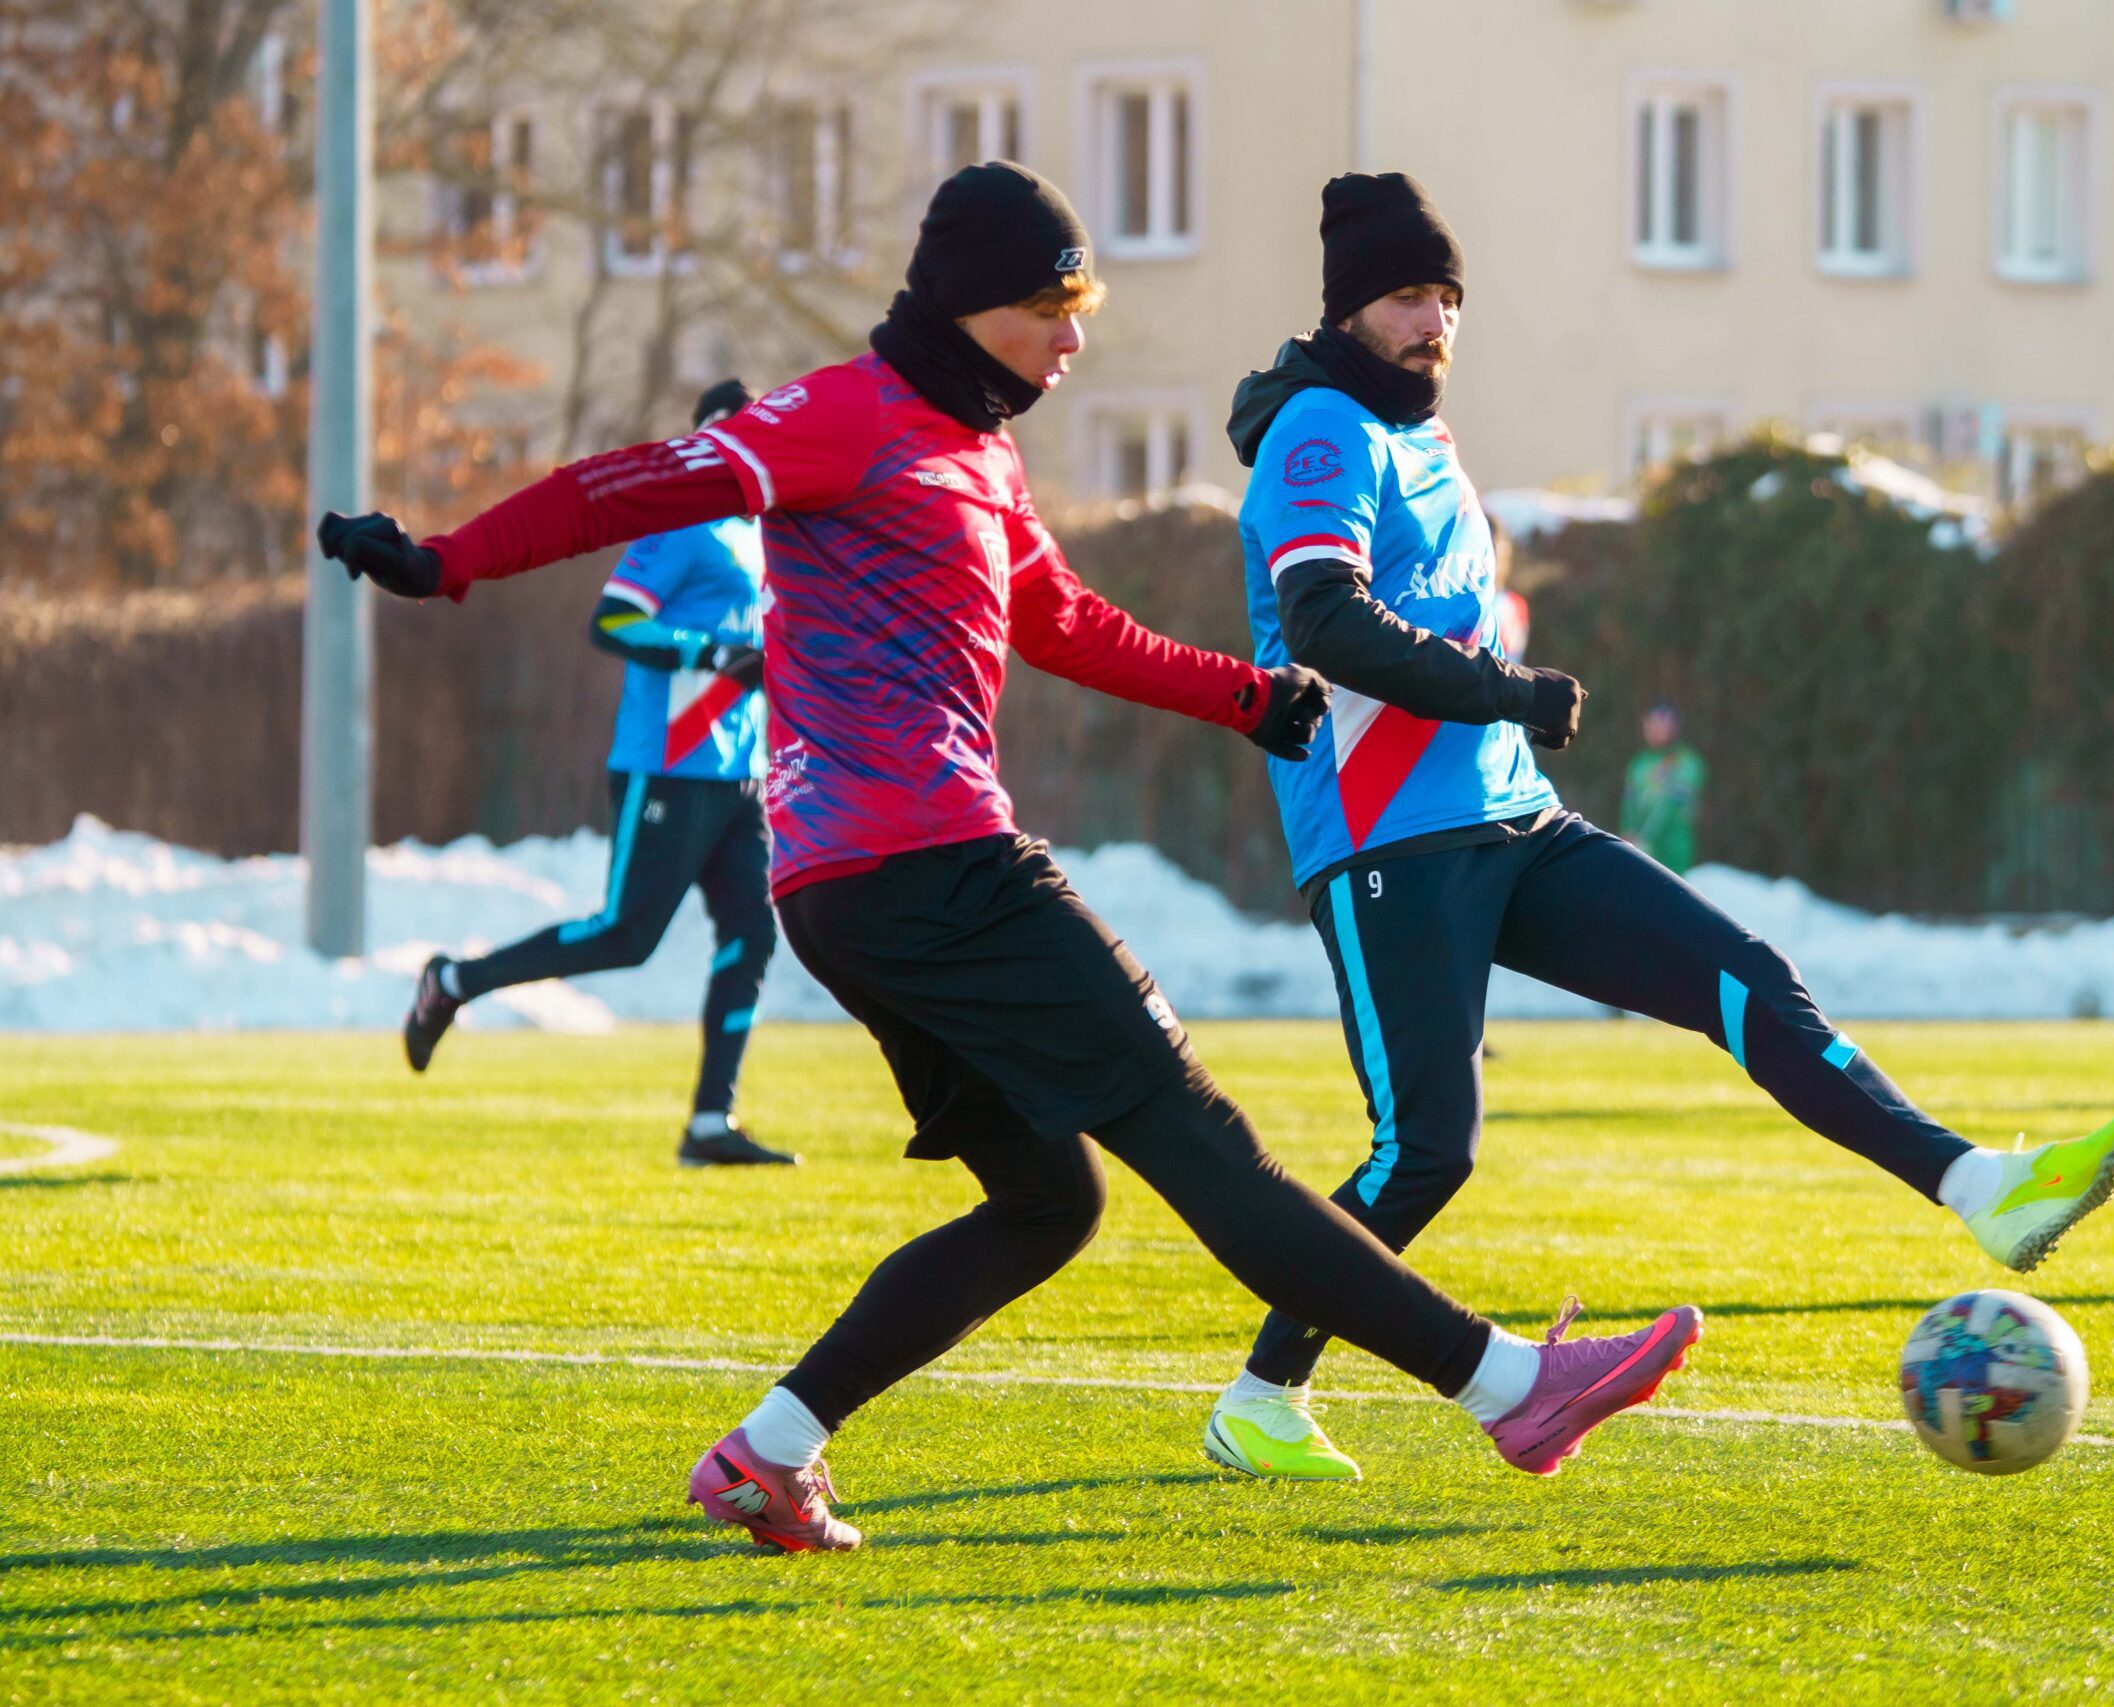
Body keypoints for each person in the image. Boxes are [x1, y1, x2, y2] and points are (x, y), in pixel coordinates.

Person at [321, 162, 1703, 1551]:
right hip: (931, 865)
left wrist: (1247, 694)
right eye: (1055, 304)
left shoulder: (977, 450)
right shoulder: (845, 413)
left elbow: (1064, 621)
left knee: (1051, 1201)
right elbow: (637, 482)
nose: (1075, 337)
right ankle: (1512, 1386)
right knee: (1204, 1141)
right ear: (978, 302)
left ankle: (769, 1450)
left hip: (859, 890)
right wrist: (446, 561)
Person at [1201, 171, 2114, 1482]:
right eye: (1410, 294)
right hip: (1385, 844)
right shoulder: (1322, 426)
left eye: (1448, 295)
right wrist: (1504, 689)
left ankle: (1983, 1183)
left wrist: (1496, 670)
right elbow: (1324, 620)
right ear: (1352, 305)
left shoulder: (1423, 431)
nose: (1435, 320)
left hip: (1510, 821)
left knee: (1744, 975)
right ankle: (1260, 1396)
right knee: (1426, 1151)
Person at [398, 379, 791, 1168]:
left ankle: (711, 1122)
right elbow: (612, 616)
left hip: (738, 769)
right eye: (728, 432)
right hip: (669, 764)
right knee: (625, 936)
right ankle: (454, 980)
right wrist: (708, 653)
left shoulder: (761, 534)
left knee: (752, 935)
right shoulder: (684, 518)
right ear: (708, 433)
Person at [1621, 703, 1706, 876]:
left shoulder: (1685, 761)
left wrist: (1647, 839)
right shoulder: (1639, 762)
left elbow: (1672, 804)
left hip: (1672, 848)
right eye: (1650, 723)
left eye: (1661, 724)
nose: (1654, 729)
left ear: (1673, 727)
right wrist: (1628, 833)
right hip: (1639, 848)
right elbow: (1628, 803)